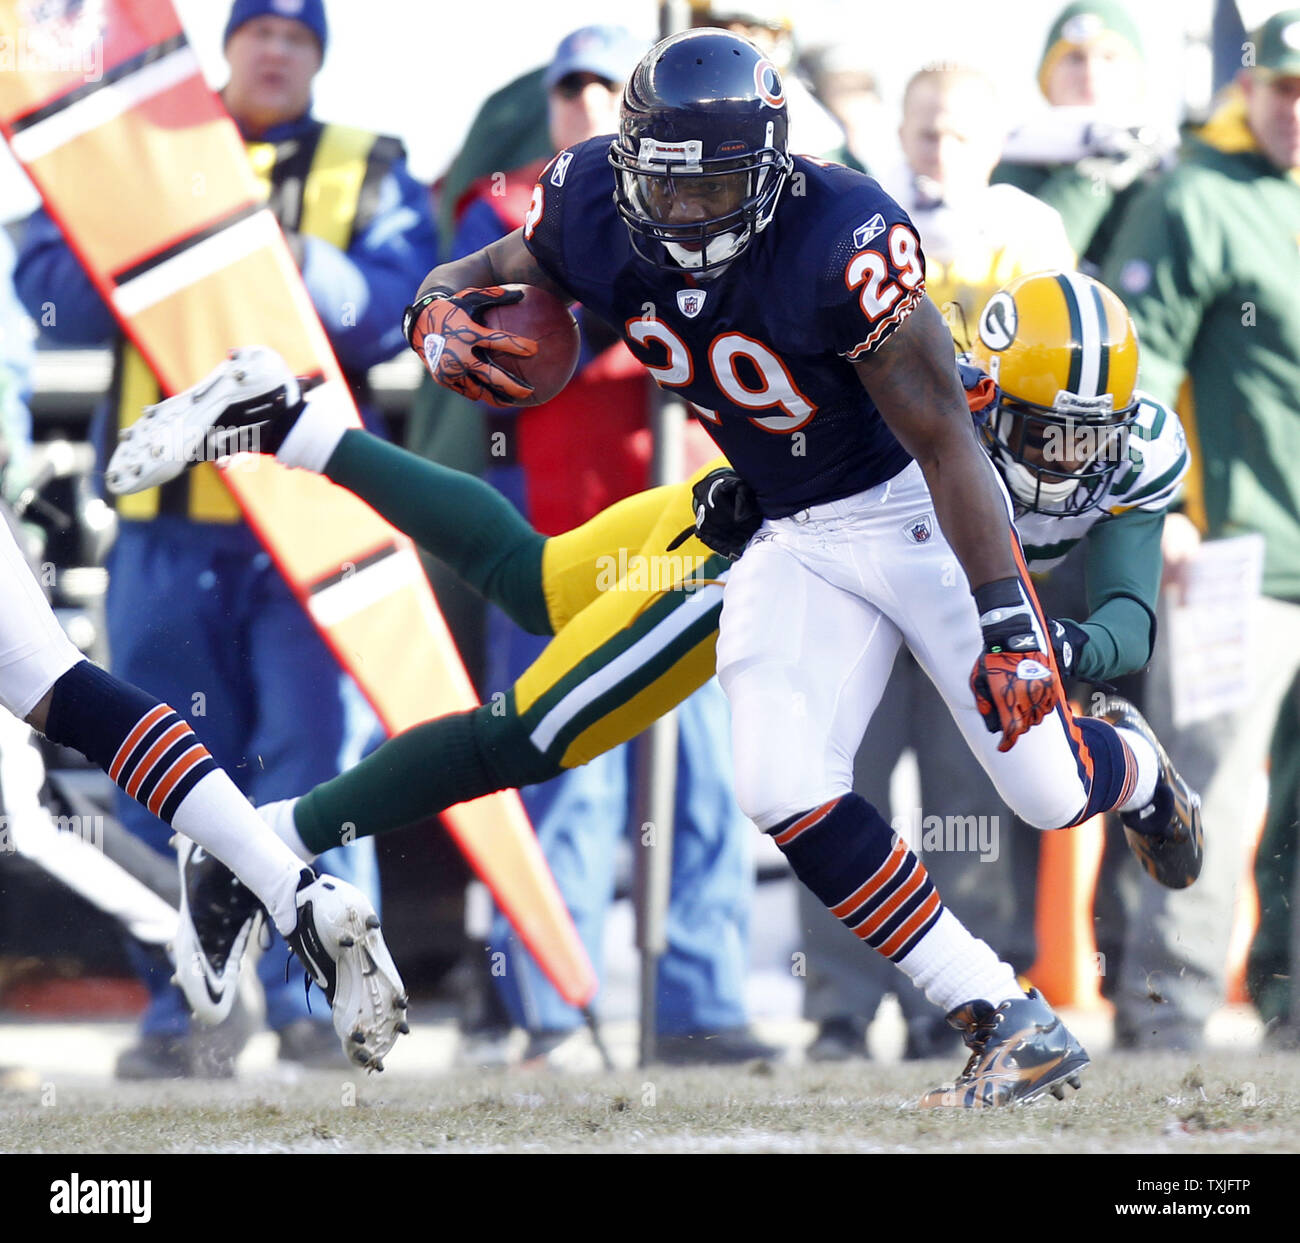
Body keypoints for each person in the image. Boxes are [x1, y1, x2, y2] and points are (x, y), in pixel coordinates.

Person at [117, 31, 1204, 1107]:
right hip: (781, 525)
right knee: (775, 779)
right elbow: (500, 266)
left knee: (1049, 786)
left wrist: (1011, 626)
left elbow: (944, 444)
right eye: (662, 187)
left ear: (771, 174)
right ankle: (999, 1016)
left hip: (907, 511)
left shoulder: (845, 235)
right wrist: (434, 303)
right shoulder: (592, 194)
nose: (681, 216)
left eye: (711, 188)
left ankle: (1139, 773)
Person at [13, 0, 437, 1077]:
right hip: (168, 533)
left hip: (310, 530)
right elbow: (45, 283)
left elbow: (398, 306)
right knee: (151, 768)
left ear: (318, 55)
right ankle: (186, 1015)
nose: (276, 48)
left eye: (298, 34)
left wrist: (263, 248)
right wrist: (156, 240)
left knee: (319, 769)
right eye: (259, 29)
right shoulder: (132, 151)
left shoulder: (368, 163)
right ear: (226, 45)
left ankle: (324, 1003)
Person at [451, 25, 770, 1067]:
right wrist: (647, 325)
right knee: (563, 768)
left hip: (694, 531)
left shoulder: (722, 200)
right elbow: (517, 334)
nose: (587, 102)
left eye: (607, 85)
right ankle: (553, 1008)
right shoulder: (522, 204)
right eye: (570, 87)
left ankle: (700, 1006)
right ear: (548, 103)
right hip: (567, 545)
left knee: (709, 779)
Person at [800, 270, 1190, 1060]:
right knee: (821, 783)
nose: (1065, 458)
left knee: (1008, 800)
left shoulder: (1142, 446)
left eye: (1088, 437)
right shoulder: (916, 405)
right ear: (986, 397)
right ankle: (838, 1013)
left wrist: (1056, 649)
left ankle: (964, 1006)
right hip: (882, 581)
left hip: (1001, 610)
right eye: (1046, 432)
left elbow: (1130, 621)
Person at [0, 438, 406, 1070]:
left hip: (299, 506)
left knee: (24, 813)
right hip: (175, 515)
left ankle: (252, 897)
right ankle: (282, 894)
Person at [1098, 7, 1300, 1049]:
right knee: (1203, 796)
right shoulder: (1195, 198)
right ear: (1249, 86)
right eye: (1286, 90)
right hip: (1237, 561)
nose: (1298, 114)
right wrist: (1164, 511)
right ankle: (1164, 1017)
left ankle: (1292, 1008)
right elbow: (1139, 370)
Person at [992, 1, 1174, 273]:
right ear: (1047, 76)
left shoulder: (1172, 166)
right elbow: (1025, 271)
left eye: (1109, 57)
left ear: (1137, 77)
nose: (1090, 72)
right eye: (1075, 58)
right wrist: (1090, 179)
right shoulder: (1002, 166)